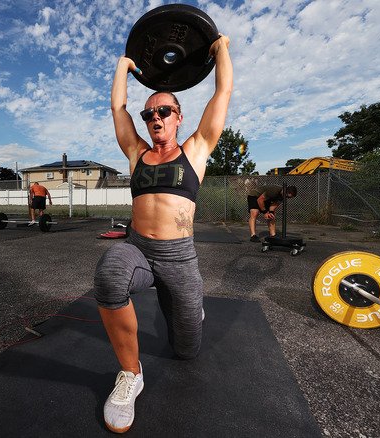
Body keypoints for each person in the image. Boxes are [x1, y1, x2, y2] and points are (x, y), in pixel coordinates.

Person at [93, 34, 232, 433]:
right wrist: (123, 66)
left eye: (165, 111)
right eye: (149, 114)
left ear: (179, 116)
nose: (156, 118)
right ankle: (130, 375)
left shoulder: (197, 149)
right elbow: (117, 106)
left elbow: (223, 90)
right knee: (109, 273)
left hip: (180, 259)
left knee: (186, 350)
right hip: (137, 249)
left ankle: (190, 312)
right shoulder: (137, 153)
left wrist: (220, 49)